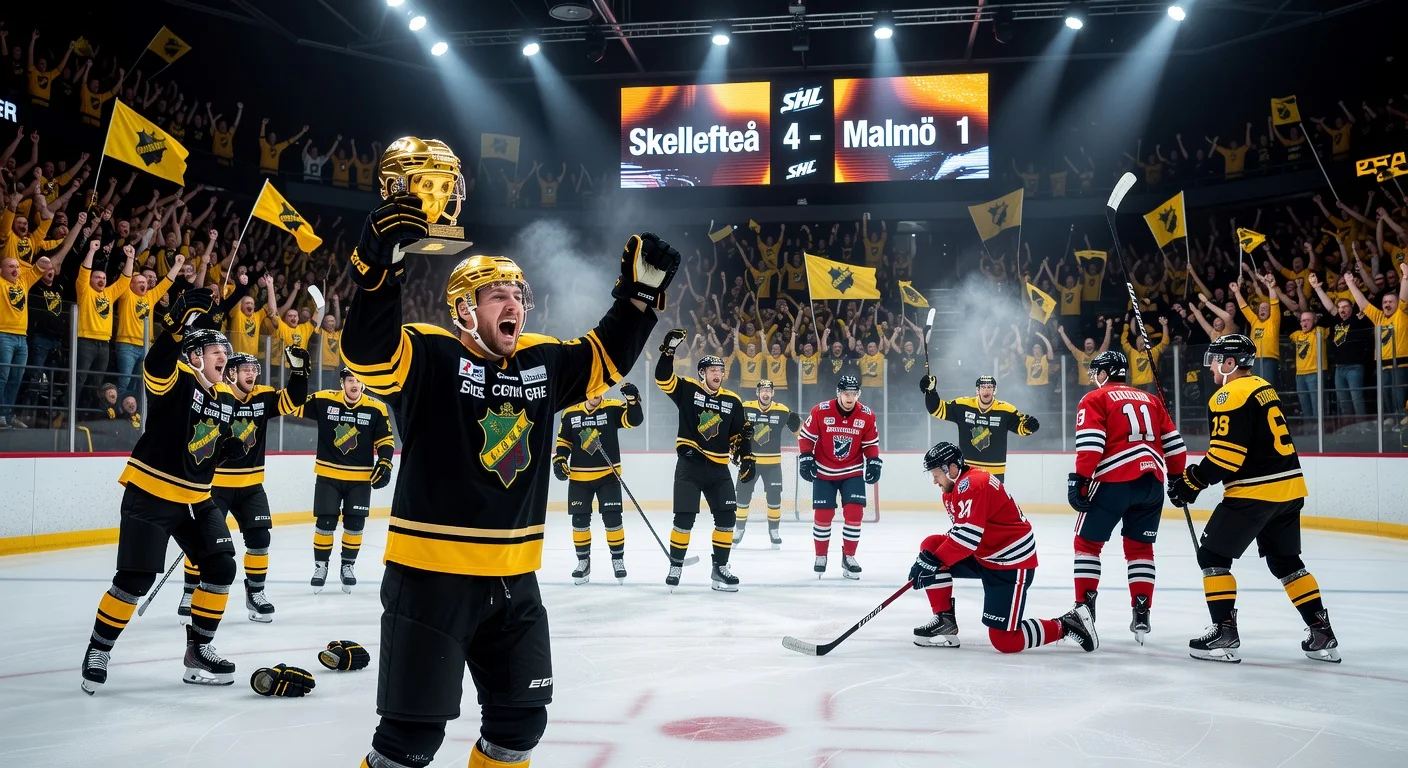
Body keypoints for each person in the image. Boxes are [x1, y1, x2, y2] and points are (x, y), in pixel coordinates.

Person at [342, 136, 673, 765]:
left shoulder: (542, 362)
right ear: (464, 309)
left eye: (519, 294)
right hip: (430, 576)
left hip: (512, 579)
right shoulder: (432, 354)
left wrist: (635, 301)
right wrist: (379, 271)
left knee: (519, 726)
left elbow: (602, 361)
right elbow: (367, 356)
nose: (514, 303)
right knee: (410, 742)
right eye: (499, 295)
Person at [79, 290, 240, 694]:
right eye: (215, 348)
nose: (224, 355)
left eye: (225, 348)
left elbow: (208, 446)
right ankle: (98, 649)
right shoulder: (178, 378)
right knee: (134, 580)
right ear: (194, 355)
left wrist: (228, 446)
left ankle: (198, 650)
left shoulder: (225, 398)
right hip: (150, 493)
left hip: (197, 500)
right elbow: (155, 363)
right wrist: (173, 328)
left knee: (221, 568)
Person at [1168, 334, 1340, 664]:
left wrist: (1191, 482)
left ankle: (1224, 632)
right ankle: (1321, 631)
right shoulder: (1262, 386)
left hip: (1255, 492)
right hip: (1289, 489)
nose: (1211, 367)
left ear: (1231, 363)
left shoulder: (1228, 394)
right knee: (1286, 562)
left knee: (1212, 556)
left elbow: (1225, 457)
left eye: (1217, 359)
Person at [909, 441, 1098, 653]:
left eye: (936, 474)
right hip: (986, 555)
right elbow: (964, 532)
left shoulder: (973, 484)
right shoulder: (953, 489)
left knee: (1005, 640)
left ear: (952, 468)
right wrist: (929, 560)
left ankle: (1068, 624)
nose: (934, 480)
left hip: (1010, 564)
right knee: (931, 547)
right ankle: (945, 621)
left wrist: (931, 564)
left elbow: (967, 538)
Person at [176, 348, 309, 623]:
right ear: (232, 373)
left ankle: (255, 593)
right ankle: (190, 592)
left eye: (254, 369)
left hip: (251, 484)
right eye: (245, 369)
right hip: (215, 488)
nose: (252, 373)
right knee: (205, 543)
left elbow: (292, 400)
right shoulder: (217, 395)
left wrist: (299, 373)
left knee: (260, 539)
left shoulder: (261, 396)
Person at [1066, 350, 1185, 643]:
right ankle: (1141, 612)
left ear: (1106, 372)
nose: (1094, 377)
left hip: (1114, 479)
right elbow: (1175, 446)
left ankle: (1084, 609)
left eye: (1097, 372)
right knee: (1140, 549)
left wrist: (1080, 478)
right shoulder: (1152, 400)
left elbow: (1092, 444)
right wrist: (1177, 479)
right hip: (1152, 483)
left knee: (1087, 544)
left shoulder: (1094, 399)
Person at [655, 342, 751, 591]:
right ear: (702, 373)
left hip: (719, 470)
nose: (717, 374)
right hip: (690, 464)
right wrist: (668, 352)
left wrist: (747, 457)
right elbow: (662, 379)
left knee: (727, 518)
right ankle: (675, 564)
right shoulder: (688, 390)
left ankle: (720, 569)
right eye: (711, 370)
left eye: (720, 370)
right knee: (684, 519)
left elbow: (738, 437)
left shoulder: (733, 401)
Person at [290, 367, 394, 593]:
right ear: (342, 383)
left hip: (360, 478)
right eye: (349, 380)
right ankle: (321, 566)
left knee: (355, 525)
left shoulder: (376, 408)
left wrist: (385, 462)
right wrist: (297, 377)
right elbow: (292, 404)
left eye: (358, 380)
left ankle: (348, 566)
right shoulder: (324, 400)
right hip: (329, 475)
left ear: (364, 384)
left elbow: (386, 439)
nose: (354, 384)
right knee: (325, 523)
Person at [552, 382, 643, 584]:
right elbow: (563, 442)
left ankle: (618, 560)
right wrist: (559, 459)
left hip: (608, 477)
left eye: (599, 390)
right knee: (579, 522)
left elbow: (633, 420)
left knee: (613, 520)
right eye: (592, 390)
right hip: (579, 479)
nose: (596, 394)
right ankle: (583, 562)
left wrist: (633, 401)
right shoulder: (570, 413)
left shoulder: (612, 407)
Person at [797, 375, 881, 579]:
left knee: (854, 514)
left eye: (854, 394)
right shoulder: (821, 410)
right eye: (846, 393)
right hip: (824, 472)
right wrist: (806, 457)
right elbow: (806, 437)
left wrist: (874, 461)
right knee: (823, 516)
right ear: (838, 393)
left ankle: (849, 556)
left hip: (852, 471)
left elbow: (870, 444)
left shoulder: (867, 415)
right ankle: (821, 555)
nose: (850, 398)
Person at [921, 374, 1038, 481]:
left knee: (992, 504)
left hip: (995, 471)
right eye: (983, 387)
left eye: (989, 387)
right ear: (977, 390)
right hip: (967, 469)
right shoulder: (963, 405)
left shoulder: (1006, 410)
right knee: (968, 503)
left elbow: (1021, 428)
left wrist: (1029, 426)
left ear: (994, 390)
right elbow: (937, 409)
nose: (986, 390)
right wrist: (931, 392)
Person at [733, 379, 802, 549]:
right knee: (742, 497)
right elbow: (732, 428)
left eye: (768, 390)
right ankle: (739, 529)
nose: (765, 393)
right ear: (757, 393)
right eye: (762, 390)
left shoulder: (782, 410)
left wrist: (808, 451)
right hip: (750, 463)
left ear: (773, 393)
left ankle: (774, 531)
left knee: (774, 498)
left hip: (773, 465)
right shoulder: (745, 407)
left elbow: (800, 431)